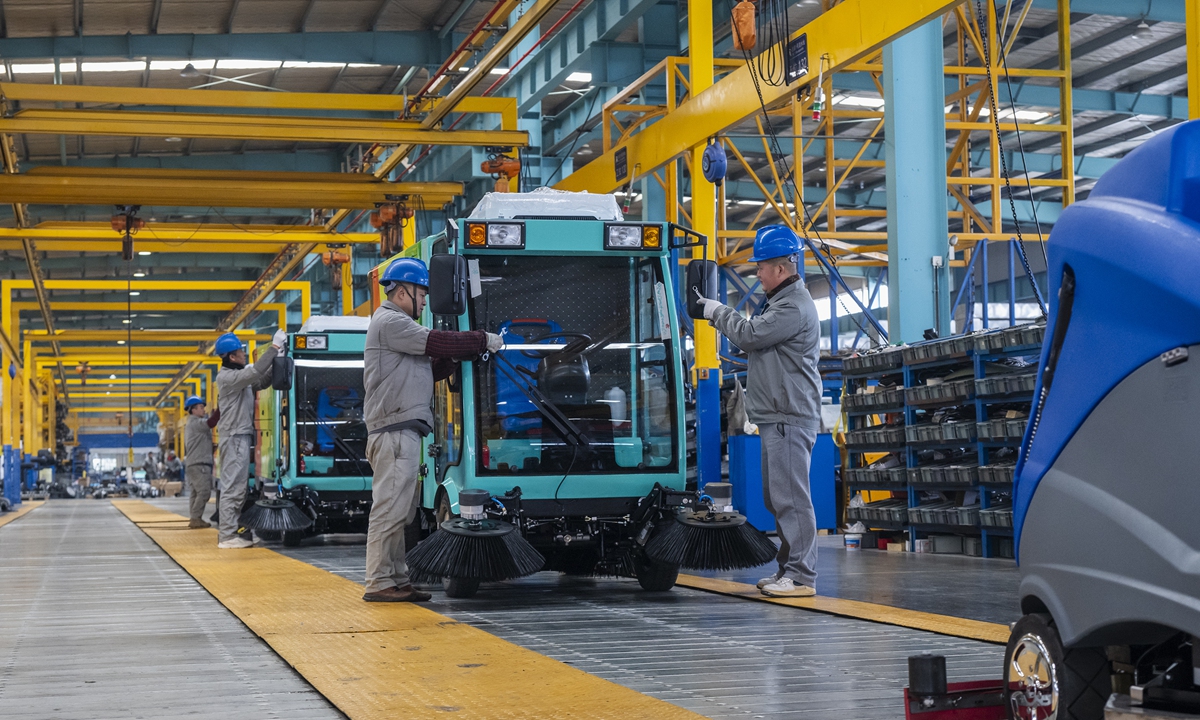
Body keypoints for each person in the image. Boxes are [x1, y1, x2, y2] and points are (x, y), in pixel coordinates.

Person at [361, 257, 502, 602]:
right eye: (422, 294)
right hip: (393, 432)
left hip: (402, 430)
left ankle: (395, 578)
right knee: (390, 510)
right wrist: (482, 340)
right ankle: (378, 582)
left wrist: (460, 357)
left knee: (402, 512)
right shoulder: (391, 321)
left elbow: (431, 368)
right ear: (404, 290)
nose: (424, 302)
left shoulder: (396, 329)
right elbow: (438, 343)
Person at [694, 224, 822, 598]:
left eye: (761, 267)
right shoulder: (780, 303)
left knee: (792, 498)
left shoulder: (793, 306)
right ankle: (789, 571)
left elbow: (750, 335)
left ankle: (801, 577)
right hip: (776, 416)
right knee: (778, 497)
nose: (757, 273)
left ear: (781, 269)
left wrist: (716, 311)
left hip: (788, 415)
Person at [214, 330, 285, 549]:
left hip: (239, 437)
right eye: (240, 352)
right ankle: (226, 536)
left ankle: (231, 532)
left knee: (238, 488)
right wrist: (273, 348)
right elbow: (254, 372)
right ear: (231, 357)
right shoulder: (227, 378)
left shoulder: (239, 379)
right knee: (233, 488)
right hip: (234, 438)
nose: (244, 355)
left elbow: (261, 381)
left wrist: (279, 359)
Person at [183, 395, 219, 529]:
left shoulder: (192, 424)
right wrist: (223, 408)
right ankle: (196, 518)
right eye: (201, 407)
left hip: (194, 463)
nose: (204, 410)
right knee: (204, 492)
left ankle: (194, 518)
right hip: (200, 464)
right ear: (193, 410)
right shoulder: (196, 423)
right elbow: (211, 423)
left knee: (195, 493)